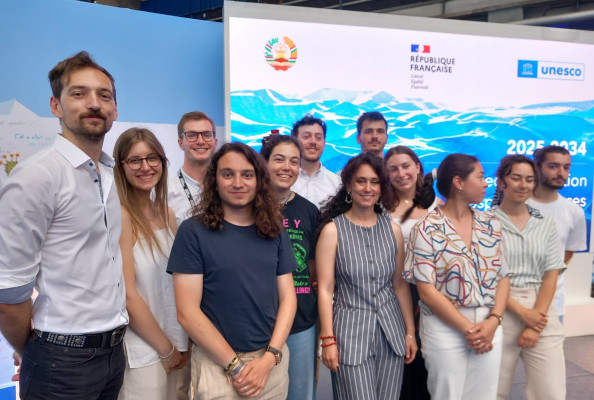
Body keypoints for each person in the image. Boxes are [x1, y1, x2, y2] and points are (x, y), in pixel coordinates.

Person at [0, 51, 129, 399]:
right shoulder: (37, 176)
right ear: (55, 106)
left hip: (113, 353)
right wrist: (37, 353)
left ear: (115, 110)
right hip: (60, 360)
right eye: (79, 93)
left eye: (104, 95)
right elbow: (8, 294)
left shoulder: (108, 173)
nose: (94, 103)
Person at [167, 142, 297, 399]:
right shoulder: (193, 232)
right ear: (214, 181)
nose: (238, 183)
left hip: (270, 363)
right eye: (228, 174)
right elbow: (187, 313)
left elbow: (289, 299)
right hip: (218, 365)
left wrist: (270, 357)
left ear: (259, 181)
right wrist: (235, 367)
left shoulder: (275, 231)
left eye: (247, 174)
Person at [404, 153, 510, 400]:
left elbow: (503, 277)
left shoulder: (491, 224)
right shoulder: (426, 228)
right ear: (458, 182)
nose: (486, 183)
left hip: (489, 325)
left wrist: (493, 321)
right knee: (447, 395)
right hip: (445, 328)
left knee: (484, 396)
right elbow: (427, 292)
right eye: (480, 177)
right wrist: (470, 330)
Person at [316, 152, 417, 399]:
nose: (368, 188)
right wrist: (327, 339)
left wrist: (410, 333)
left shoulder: (393, 230)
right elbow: (325, 289)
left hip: (391, 334)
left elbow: (399, 285)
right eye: (361, 181)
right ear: (349, 185)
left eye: (374, 182)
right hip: (349, 336)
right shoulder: (332, 231)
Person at [113, 128, 188, 399]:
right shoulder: (120, 216)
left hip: (176, 346)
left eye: (152, 158)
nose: (145, 167)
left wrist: (181, 344)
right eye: (135, 160)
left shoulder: (167, 214)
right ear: (121, 166)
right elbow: (128, 295)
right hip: (144, 353)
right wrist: (165, 349)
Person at [490, 155, 566, 400]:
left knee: (551, 393)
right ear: (501, 182)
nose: (523, 185)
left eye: (529, 179)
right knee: (494, 391)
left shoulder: (546, 223)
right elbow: (487, 278)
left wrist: (535, 321)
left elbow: (551, 273)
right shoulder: (485, 223)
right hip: (499, 309)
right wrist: (523, 313)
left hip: (541, 310)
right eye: (516, 178)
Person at [260, 134, 320, 400]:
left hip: (301, 321)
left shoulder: (309, 211)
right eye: (279, 160)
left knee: (300, 394)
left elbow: (313, 267)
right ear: (264, 163)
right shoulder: (247, 207)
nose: (287, 167)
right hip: (259, 321)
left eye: (294, 162)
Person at [167, 111, 219, 399]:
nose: (200, 140)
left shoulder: (228, 187)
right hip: (178, 301)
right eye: (192, 135)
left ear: (215, 140)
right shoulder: (163, 189)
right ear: (180, 142)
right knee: (177, 386)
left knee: (213, 387)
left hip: (218, 303)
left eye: (206, 134)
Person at [384, 146, 441, 400]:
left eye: (406, 166)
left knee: (425, 359)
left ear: (418, 167)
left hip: (429, 291)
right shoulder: (379, 206)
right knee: (398, 358)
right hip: (390, 290)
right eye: (393, 169)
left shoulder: (437, 207)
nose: (401, 173)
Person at [526, 146, 587, 323]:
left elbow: (567, 255)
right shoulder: (515, 206)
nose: (561, 173)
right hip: (513, 302)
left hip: (553, 305)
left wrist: (547, 281)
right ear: (536, 167)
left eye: (566, 167)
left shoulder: (574, 212)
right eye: (553, 166)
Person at [290, 114, 341, 208]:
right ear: (294, 141)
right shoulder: (284, 181)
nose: (313, 142)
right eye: (306, 136)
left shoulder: (337, 184)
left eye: (318, 138)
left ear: (324, 144)